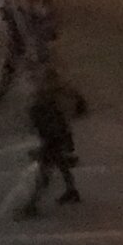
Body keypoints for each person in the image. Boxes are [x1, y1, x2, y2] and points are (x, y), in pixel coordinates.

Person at [19, 69, 82, 216]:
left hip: (53, 140)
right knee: (61, 164)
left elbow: (51, 126)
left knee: (44, 174)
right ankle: (71, 191)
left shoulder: (44, 104)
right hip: (55, 138)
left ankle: (32, 205)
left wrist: (43, 148)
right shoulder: (48, 100)